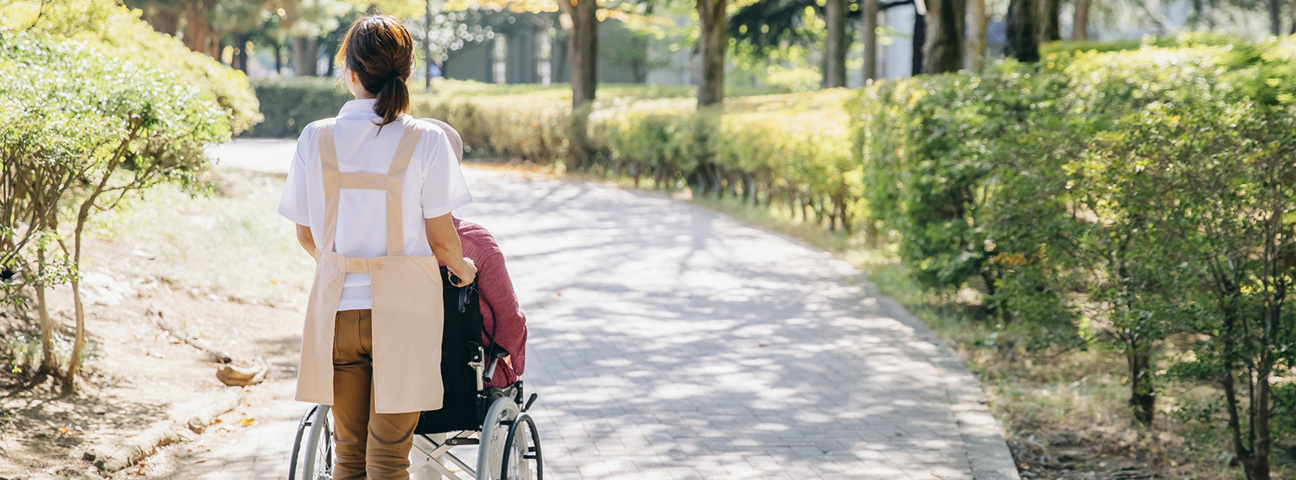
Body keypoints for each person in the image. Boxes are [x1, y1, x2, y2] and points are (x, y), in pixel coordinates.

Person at [277, 15, 477, 480]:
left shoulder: (316, 136)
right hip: (405, 313)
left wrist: (342, 266)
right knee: (388, 458)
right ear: (406, 74)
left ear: (349, 72)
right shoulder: (426, 140)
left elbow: (306, 235)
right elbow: (443, 239)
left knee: (349, 455)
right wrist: (462, 268)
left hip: (339, 313)